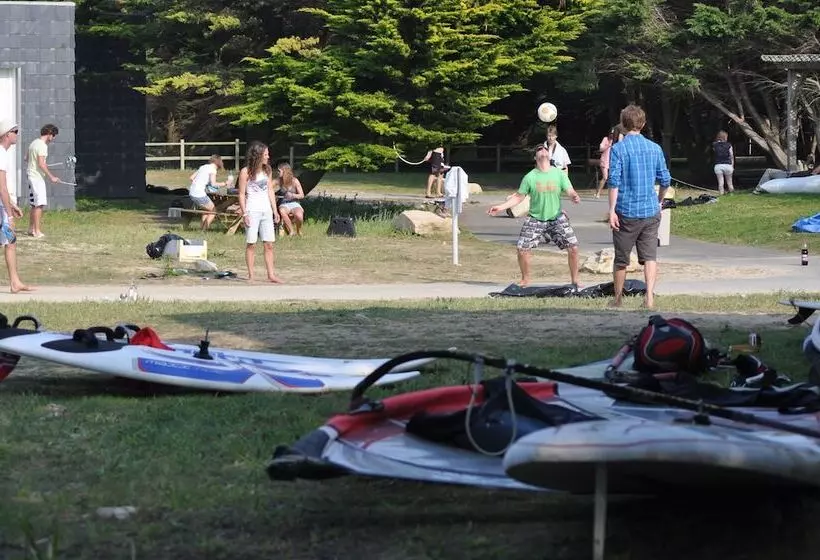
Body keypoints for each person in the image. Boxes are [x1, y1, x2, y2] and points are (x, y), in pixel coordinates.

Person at [487, 142, 582, 288]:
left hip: (556, 217)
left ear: (549, 155)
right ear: (535, 157)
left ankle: (575, 280)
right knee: (522, 249)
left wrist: (574, 196)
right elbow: (518, 197)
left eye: (545, 149)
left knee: (573, 248)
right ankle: (525, 280)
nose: (543, 150)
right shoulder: (530, 177)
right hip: (536, 219)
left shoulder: (559, 174)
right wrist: (500, 207)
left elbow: (569, 190)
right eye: (539, 149)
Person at [607, 104, 671, 310]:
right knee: (650, 257)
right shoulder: (655, 148)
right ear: (643, 124)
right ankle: (649, 297)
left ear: (622, 125)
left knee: (621, 259)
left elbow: (614, 182)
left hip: (626, 211)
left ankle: (618, 299)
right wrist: (659, 200)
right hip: (650, 211)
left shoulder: (618, 149)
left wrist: (611, 210)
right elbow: (665, 179)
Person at [237, 141, 282, 283]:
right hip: (252, 211)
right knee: (251, 244)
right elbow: (241, 194)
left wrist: (275, 210)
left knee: (269, 244)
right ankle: (251, 275)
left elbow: (270, 190)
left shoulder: (267, 170)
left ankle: (271, 275)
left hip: (266, 210)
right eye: (266, 154)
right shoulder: (245, 172)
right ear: (258, 155)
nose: (268, 157)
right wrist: (244, 213)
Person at [0, 120, 33, 293]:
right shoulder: (1, 154)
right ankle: (14, 282)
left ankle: (15, 282)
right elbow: (2, 187)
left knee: (10, 241)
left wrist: (12, 205)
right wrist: (10, 215)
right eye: (15, 131)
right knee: (10, 240)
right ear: (7, 134)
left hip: (3, 205)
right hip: (1, 208)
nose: (17, 135)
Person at [25, 123, 59, 238]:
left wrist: (41, 164)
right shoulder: (43, 146)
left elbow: (26, 158)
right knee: (39, 204)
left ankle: (31, 229)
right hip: (36, 178)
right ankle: (37, 231)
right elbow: (41, 164)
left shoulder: (33, 143)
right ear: (49, 134)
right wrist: (52, 177)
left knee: (34, 204)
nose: (53, 138)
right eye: (53, 135)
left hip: (31, 175)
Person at [188, 155, 227, 231]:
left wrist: (201, 183)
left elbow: (191, 178)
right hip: (199, 194)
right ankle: (204, 229)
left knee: (206, 210)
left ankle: (202, 229)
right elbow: (213, 184)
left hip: (192, 192)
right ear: (218, 162)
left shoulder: (203, 167)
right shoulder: (213, 169)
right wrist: (225, 183)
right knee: (214, 210)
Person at [275, 162, 305, 236]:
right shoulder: (278, 181)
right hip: (284, 204)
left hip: (294, 203)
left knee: (299, 216)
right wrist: (274, 195)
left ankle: (298, 230)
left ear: (285, 171)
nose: (277, 172)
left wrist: (293, 195)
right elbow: (269, 188)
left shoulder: (294, 181)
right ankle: (291, 231)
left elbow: (302, 195)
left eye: (279, 171)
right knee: (282, 211)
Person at [595, 125, 624, 199]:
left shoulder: (616, 141)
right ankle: (598, 192)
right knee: (605, 177)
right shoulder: (605, 139)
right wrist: (608, 145)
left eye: (613, 134)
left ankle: (614, 192)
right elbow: (601, 148)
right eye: (611, 134)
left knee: (613, 177)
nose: (612, 135)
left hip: (612, 161)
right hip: (604, 160)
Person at [712, 130, 735, 195]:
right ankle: (732, 195)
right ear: (725, 137)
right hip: (728, 165)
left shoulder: (714, 145)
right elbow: (731, 155)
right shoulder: (729, 145)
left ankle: (721, 194)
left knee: (720, 183)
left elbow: (715, 151)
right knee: (730, 182)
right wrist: (732, 165)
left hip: (718, 165)